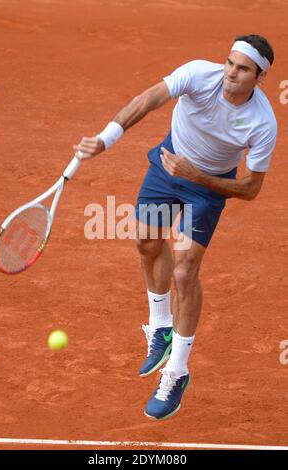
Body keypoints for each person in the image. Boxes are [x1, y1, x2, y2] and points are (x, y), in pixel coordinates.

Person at [74, 34, 277, 421]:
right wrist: (107, 138)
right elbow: (147, 100)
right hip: (169, 165)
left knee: (184, 271)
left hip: (208, 187)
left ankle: (176, 372)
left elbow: (250, 188)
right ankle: (160, 326)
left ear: (260, 77)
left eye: (243, 69)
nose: (231, 73)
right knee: (146, 242)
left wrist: (197, 175)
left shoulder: (262, 122)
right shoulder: (199, 74)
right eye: (230, 63)